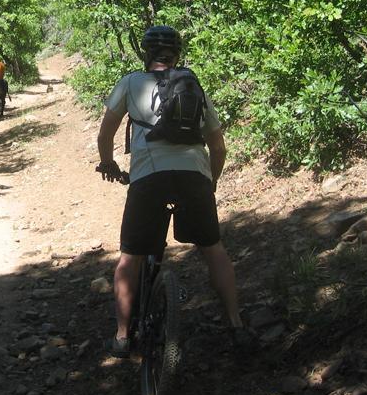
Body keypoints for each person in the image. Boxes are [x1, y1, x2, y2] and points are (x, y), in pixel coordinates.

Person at [95, 25, 256, 357]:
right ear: (177, 54)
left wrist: (108, 163)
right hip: (194, 177)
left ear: (145, 53)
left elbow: (105, 135)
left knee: (131, 256)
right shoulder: (192, 85)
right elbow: (219, 147)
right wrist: (208, 184)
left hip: (149, 179)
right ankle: (237, 324)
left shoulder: (130, 82)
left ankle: (123, 336)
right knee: (213, 249)